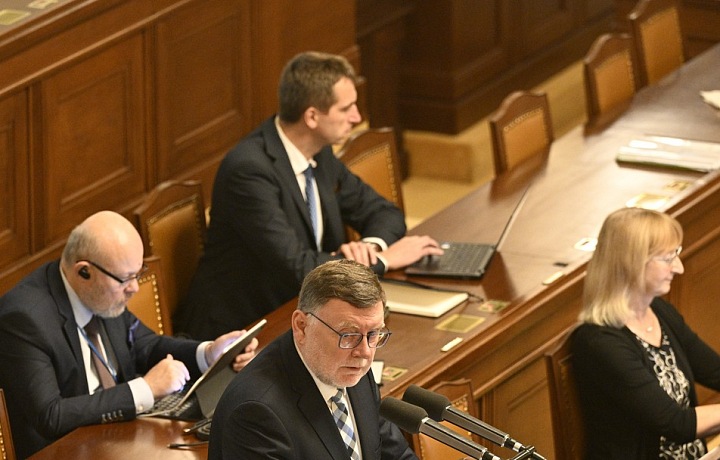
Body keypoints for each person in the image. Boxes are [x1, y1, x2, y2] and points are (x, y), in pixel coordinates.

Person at [174, 51, 442, 340]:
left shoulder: (319, 151)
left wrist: (370, 247)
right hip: (244, 328)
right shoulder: (249, 171)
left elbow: (383, 212)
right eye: (346, 109)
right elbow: (297, 267)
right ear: (312, 116)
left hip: (305, 311)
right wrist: (383, 261)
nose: (357, 117)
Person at [0, 211, 259, 458]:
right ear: (84, 271)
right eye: (125, 279)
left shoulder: (100, 294)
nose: (134, 288)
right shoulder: (24, 319)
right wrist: (145, 389)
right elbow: (51, 415)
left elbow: (145, 345)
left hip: (118, 438)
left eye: (138, 274)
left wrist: (208, 353)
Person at [208, 259, 418, 459]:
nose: (364, 352)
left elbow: (396, 455)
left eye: (374, 334)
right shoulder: (256, 414)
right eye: (348, 335)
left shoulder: (353, 367)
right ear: (302, 326)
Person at [571, 207, 720, 459]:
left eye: (676, 254)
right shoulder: (599, 343)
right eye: (668, 258)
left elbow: (715, 371)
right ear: (632, 263)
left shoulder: (660, 311)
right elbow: (677, 423)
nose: (679, 268)